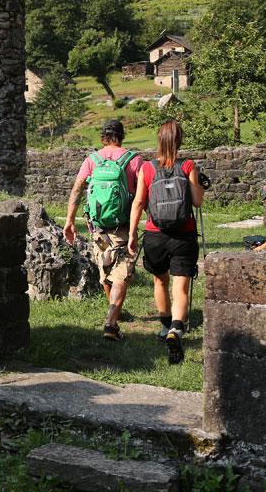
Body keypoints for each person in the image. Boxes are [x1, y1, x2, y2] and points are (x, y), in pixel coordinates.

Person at [128, 118, 204, 365]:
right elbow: (197, 202)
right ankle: (176, 329)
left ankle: (163, 326)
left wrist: (131, 234)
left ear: (159, 140)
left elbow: (139, 202)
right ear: (179, 140)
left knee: (160, 281)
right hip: (184, 234)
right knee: (180, 286)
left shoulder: (147, 168)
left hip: (155, 234)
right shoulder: (188, 165)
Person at [63, 119, 142, 341]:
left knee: (106, 270)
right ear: (122, 135)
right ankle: (111, 323)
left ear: (103, 136)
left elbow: (77, 190)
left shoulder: (92, 160)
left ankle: (113, 311)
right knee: (121, 275)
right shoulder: (133, 160)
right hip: (123, 226)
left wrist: (69, 220)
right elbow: (141, 195)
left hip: (97, 227)